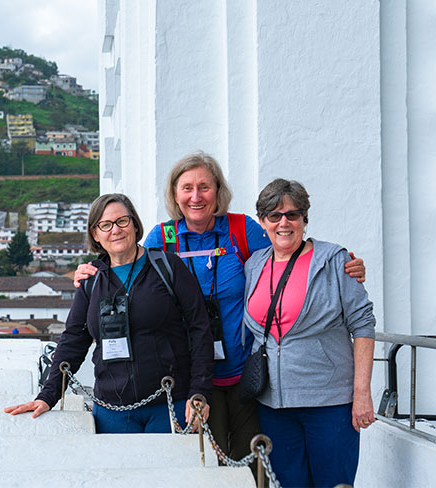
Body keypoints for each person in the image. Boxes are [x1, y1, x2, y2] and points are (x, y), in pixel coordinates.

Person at [74, 153, 365, 468]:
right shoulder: (164, 237)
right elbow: (124, 261)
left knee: (251, 466)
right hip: (192, 378)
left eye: (204, 187)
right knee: (205, 466)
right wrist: (89, 270)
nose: (196, 197)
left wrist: (339, 263)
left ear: (218, 191)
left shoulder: (242, 230)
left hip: (247, 377)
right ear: (174, 195)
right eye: (186, 188)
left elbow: (285, 256)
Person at [6, 193, 214, 433]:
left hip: (170, 404)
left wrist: (199, 392)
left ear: (135, 224)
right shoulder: (91, 279)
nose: (115, 230)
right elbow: (74, 339)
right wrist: (48, 396)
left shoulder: (167, 266)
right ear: (95, 234)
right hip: (112, 410)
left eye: (122, 221)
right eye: (105, 225)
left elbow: (200, 330)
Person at [242, 178, 376, 487]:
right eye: (274, 215)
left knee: (334, 484)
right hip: (274, 405)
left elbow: (363, 325)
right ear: (263, 222)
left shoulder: (334, 261)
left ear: (305, 219)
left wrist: (362, 393)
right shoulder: (254, 265)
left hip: (329, 405)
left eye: (293, 214)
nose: (284, 222)